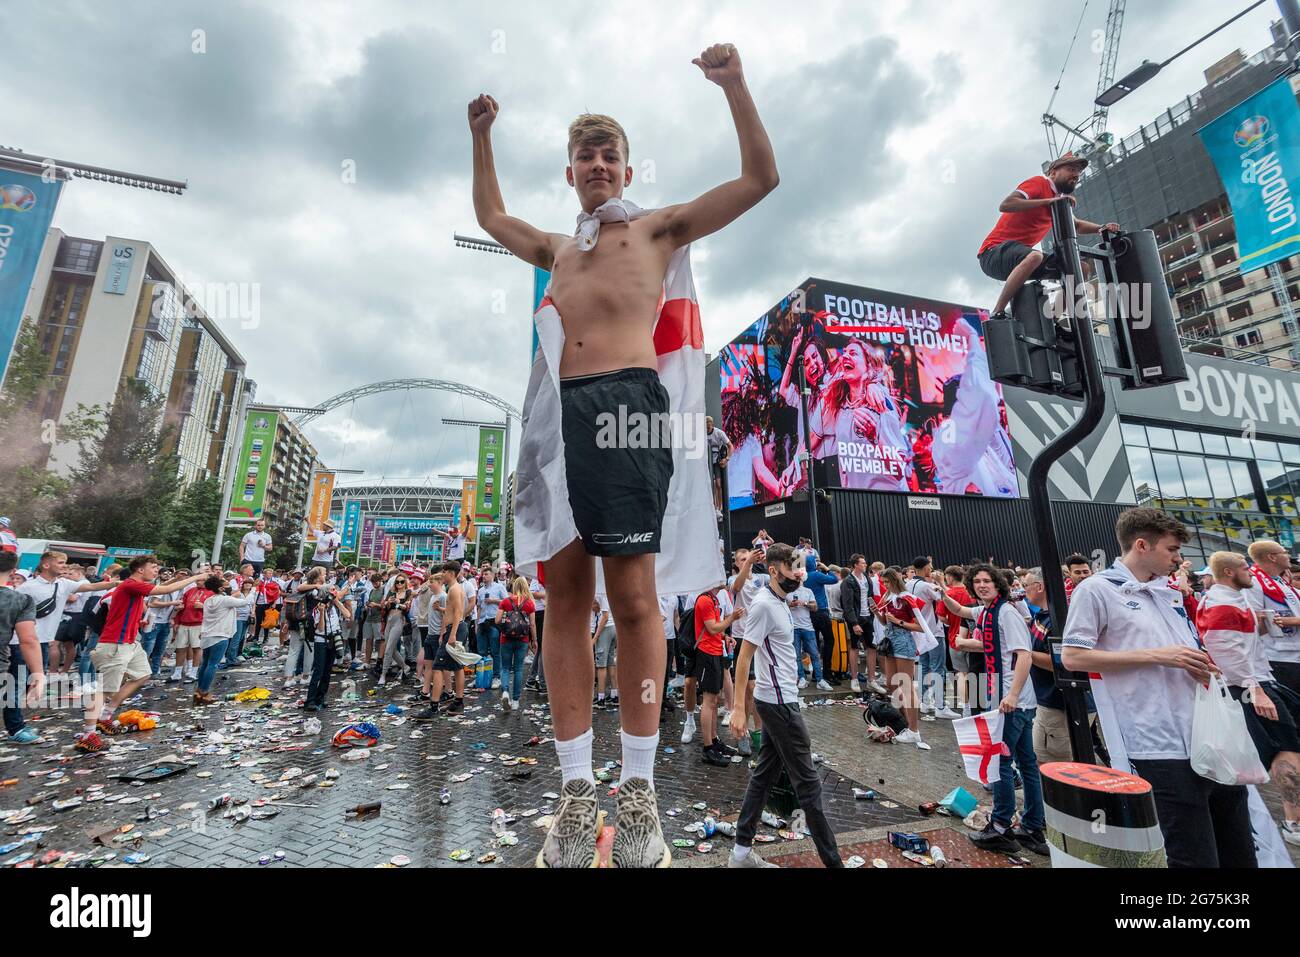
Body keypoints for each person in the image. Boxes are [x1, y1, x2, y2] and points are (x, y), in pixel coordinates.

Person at [475, 41, 776, 868]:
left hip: (630, 407)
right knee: (561, 596)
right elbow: (491, 219)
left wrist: (734, 86)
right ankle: (575, 794)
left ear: (627, 166)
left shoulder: (656, 228)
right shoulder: (556, 250)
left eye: (609, 153)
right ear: (571, 172)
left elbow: (759, 180)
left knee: (635, 595)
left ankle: (637, 793)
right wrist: (481, 138)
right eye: (585, 154)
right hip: (554, 414)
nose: (598, 163)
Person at [1062, 508, 1255, 868]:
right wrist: (1159, 656)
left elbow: (1179, 652)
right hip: (1157, 744)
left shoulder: (1168, 591)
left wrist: (1199, 664)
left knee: (1239, 848)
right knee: (1193, 856)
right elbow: (1073, 657)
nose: (1179, 558)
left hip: (1207, 734)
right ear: (1141, 545)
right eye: (1172, 549)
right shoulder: (1096, 590)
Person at [728, 543, 843, 868]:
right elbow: (744, 656)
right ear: (776, 571)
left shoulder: (779, 601)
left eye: (801, 567)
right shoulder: (764, 604)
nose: (800, 573)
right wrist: (738, 707)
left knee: (764, 777)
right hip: (778, 706)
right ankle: (835, 863)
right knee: (809, 786)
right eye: (794, 568)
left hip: (779, 701)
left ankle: (740, 854)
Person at [943, 564, 1048, 855]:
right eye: (976, 581)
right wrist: (942, 593)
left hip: (1011, 702)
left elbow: (1024, 656)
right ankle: (1032, 826)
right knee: (1027, 764)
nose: (981, 585)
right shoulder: (987, 610)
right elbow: (962, 612)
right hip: (1010, 700)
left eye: (987, 580)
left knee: (1000, 764)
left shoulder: (1007, 613)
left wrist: (1012, 695)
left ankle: (1001, 827)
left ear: (998, 584)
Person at [1198, 550, 1300, 846]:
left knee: (1283, 746)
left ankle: (1291, 820)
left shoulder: (1234, 598)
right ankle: (1292, 822)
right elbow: (1226, 649)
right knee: (1285, 745)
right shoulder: (1221, 603)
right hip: (1248, 684)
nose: (1251, 572)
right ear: (1230, 572)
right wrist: (1254, 689)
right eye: (1245, 568)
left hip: (1256, 679)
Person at [79, 557, 205, 751]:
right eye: (152, 567)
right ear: (139, 569)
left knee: (142, 674)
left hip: (130, 643)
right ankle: (87, 734)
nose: (156, 571)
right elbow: (164, 590)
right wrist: (195, 577)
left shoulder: (136, 586)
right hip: (115, 644)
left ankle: (105, 716)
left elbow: (160, 588)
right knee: (104, 690)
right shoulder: (131, 585)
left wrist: (173, 580)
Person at [978, 152, 1119, 319]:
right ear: (1053, 172)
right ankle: (998, 311)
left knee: (1079, 267)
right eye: (1071, 169)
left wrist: (1102, 228)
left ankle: (1053, 319)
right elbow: (1006, 205)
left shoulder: (1058, 201)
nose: (1076, 175)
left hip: (1021, 260)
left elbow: (1077, 225)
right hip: (992, 254)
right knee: (1035, 256)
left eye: (1078, 173)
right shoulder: (1039, 183)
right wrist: (1049, 202)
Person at [11, 552, 114, 742]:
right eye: (60, 563)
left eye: (66, 564)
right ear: (46, 565)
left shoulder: (63, 584)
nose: (64, 567)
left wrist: (116, 583)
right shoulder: (28, 587)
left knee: (28, 683)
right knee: (17, 684)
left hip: (41, 641)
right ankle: (16, 728)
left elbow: (91, 586)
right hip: (21, 642)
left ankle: (17, 723)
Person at [874, 568, 931, 750]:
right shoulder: (888, 598)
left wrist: (898, 622)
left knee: (906, 684)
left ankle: (914, 730)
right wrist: (877, 612)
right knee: (891, 683)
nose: (885, 586)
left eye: (887, 582)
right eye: (883, 583)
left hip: (904, 641)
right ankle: (906, 722)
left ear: (894, 581)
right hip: (890, 641)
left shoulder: (906, 598)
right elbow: (884, 622)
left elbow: (921, 626)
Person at [694, 586, 744, 767]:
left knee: (714, 700)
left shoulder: (714, 599)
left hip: (715, 652)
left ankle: (714, 741)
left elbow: (715, 628)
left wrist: (725, 638)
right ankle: (708, 749)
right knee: (708, 701)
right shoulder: (705, 599)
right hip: (706, 654)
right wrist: (732, 618)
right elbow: (712, 628)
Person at [0, 552, 45, 746]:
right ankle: (16, 729)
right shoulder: (20, 600)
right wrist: (38, 673)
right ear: (13, 571)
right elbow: (28, 639)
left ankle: (16, 728)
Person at [1245, 539, 1300, 696]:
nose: (1288, 555)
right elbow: (1255, 619)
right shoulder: (1254, 582)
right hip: (1280, 658)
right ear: (1272, 557)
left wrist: (1291, 621)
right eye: (1284, 552)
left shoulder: (1281, 582)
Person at [906, 556, 958, 719]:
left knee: (923, 666)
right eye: (930, 566)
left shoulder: (907, 584)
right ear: (926, 568)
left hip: (919, 632)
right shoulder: (927, 586)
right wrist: (941, 582)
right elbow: (950, 596)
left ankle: (924, 702)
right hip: (933, 632)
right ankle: (940, 706)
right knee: (938, 668)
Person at [195, 575, 254, 705]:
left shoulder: (208, 600)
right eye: (227, 584)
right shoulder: (225, 600)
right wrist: (250, 591)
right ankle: (204, 693)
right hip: (220, 636)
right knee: (212, 664)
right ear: (221, 588)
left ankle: (199, 690)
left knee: (205, 664)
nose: (230, 586)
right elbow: (245, 602)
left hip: (207, 634)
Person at [423, 560, 468, 717]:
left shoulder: (454, 589)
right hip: (455, 628)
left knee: (437, 667)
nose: (442, 574)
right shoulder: (455, 588)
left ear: (450, 573)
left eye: (444, 572)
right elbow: (451, 611)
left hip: (455, 630)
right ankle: (458, 702)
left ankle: (433, 708)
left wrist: (452, 634)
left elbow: (457, 613)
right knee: (457, 667)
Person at [305, 574, 352, 712]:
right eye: (332, 591)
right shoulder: (318, 608)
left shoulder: (335, 606)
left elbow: (348, 615)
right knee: (318, 671)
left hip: (333, 639)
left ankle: (321, 697)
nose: (335, 592)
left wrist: (337, 601)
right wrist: (322, 611)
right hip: (321, 640)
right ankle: (310, 700)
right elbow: (319, 628)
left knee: (327, 671)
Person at [839, 554, 881, 695]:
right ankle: (854, 678)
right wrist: (854, 623)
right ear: (855, 565)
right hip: (855, 618)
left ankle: (871, 679)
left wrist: (873, 608)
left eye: (865, 563)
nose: (865, 565)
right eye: (862, 563)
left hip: (867, 616)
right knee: (854, 646)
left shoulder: (867, 579)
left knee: (872, 646)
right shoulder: (848, 581)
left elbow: (869, 596)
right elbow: (847, 604)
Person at [496, 576, 537, 711]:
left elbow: (497, 620)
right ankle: (515, 700)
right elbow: (532, 624)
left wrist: (505, 627)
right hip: (522, 639)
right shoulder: (530, 603)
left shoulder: (505, 601)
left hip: (505, 638)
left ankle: (505, 692)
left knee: (505, 668)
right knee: (518, 669)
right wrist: (534, 640)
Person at [788, 574, 829, 691]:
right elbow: (781, 606)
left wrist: (804, 604)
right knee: (796, 655)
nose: (797, 580)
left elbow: (815, 607)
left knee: (815, 654)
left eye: (798, 578)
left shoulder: (808, 591)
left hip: (808, 627)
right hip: (793, 627)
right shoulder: (787, 592)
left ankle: (820, 680)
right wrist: (791, 604)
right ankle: (801, 678)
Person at [476, 568, 507, 690]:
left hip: (494, 622)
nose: (484, 576)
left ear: (493, 575)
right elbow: (479, 607)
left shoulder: (499, 587)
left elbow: (506, 603)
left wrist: (494, 600)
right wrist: (477, 623)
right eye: (483, 574)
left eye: (487, 574)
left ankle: (496, 677)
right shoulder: (481, 590)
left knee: (495, 652)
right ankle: (480, 676)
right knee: (481, 652)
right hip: (483, 623)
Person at [591, 595, 618, 710]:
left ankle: (600, 698)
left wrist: (596, 637)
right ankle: (614, 695)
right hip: (614, 627)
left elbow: (605, 616)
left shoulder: (601, 592)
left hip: (606, 628)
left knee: (601, 665)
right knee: (611, 663)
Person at [705, 414, 732, 514]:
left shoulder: (719, 433)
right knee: (709, 484)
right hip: (706, 461)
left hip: (717, 461)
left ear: (712, 425)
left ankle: (718, 508)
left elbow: (730, 446)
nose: (708, 428)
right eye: (706, 426)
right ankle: (710, 506)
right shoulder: (701, 434)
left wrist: (727, 458)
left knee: (718, 484)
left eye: (709, 426)